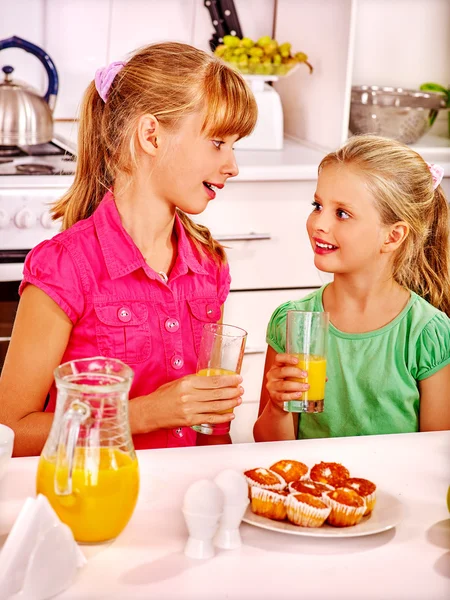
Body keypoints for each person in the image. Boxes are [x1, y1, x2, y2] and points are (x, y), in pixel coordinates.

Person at [0, 42, 257, 456]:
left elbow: (212, 430)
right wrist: (145, 413)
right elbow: (10, 430)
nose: (232, 165)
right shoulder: (65, 266)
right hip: (93, 499)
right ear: (151, 135)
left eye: (234, 145)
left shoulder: (209, 265)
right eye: (217, 142)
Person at [254, 134, 450, 442]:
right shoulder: (292, 322)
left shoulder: (427, 334)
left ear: (393, 236)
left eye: (342, 213)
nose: (319, 223)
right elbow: (269, 448)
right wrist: (278, 408)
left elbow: (436, 452)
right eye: (317, 205)